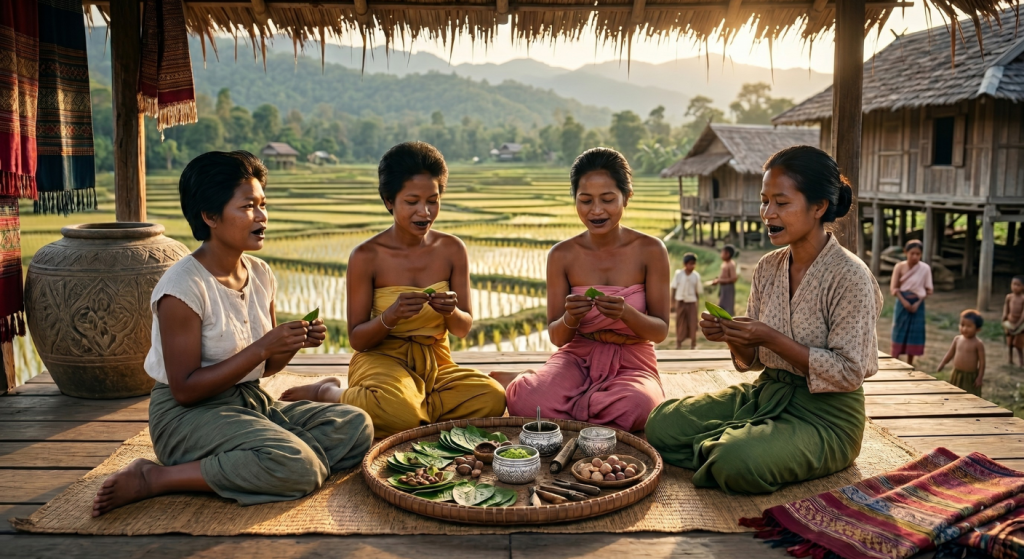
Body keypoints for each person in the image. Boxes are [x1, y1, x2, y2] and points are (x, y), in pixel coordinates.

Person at [92, 152, 373, 517]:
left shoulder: (260, 274)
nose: (262, 216)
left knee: (355, 426)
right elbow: (185, 389)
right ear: (210, 216)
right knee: (299, 467)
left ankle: (264, 459)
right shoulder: (182, 289)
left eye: (263, 204)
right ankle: (156, 477)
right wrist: (262, 347)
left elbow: (267, 367)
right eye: (248, 207)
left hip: (248, 402)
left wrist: (291, 343)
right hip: (187, 418)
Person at [646, 145, 882, 495]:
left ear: (818, 207)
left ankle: (730, 450)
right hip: (766, 392)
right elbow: (753, 361)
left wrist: (769, 337)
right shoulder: (768, 267)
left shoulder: (850, 276)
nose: (767, 213)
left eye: (782, 203)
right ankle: (732, 446)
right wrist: (732, 335)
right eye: (764, 200)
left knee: (736, 459)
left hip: (826, 417)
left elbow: (848, 373)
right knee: (661, 424)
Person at [280, 142, 505, 438]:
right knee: (399, 410)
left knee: (492, 397)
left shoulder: (452, 249)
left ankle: (411, 411)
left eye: (432, 201)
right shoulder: (366, 256)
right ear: (389, 201)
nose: (424, 212)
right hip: (381, 360)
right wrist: (392, 315)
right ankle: (328, 392)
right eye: (411, 201)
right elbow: (358, 340)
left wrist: (451, 311)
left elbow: (463, 328)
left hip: (435, 361)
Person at [504, 148, 669, 432]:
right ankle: (542, 384)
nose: (596, 210)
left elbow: (660, 331)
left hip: (633, 359)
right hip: (576, 356)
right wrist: (570, 318)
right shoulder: (562, 255)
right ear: (575, 201)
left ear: (626, 197)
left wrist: (627, 314)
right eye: (585, 200)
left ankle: (580, 408)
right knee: (527, 400)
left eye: (607, 199)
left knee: (638, 405)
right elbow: (557, 336)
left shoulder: (651, 250)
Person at [890, 239, 933, 365]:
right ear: (906, 252)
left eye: (918, 254)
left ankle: (910, 362)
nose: (915, 256)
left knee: (914, 333)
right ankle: (894, 360)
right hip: (902, 303)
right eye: (912, 253)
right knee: (899, 330)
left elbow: (928, 290)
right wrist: (905, 303)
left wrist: (916, 304)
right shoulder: (899, 267)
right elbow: (894, 289)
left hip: (918, 304)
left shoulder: (925, 268)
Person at [937, 310, 986, 397]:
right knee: (955, 394)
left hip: (970, 376)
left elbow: (982, 363)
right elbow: (950, 353)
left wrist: (979, 378)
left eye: (969, 326)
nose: (964, 329)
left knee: (970, 396)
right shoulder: (957, 339)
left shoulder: (978, 343)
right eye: (962, 325)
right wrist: (943, 363)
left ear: (978, 329)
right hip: (957, 373)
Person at [672, 253, 701, 350]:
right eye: (690, 264)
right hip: (680, 301)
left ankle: (693, 343)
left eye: (694, 264)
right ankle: (679, 343)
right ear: (685, 264)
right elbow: (674, 288)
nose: (692, 266)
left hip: (691, 302)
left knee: (692, 322)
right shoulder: (679, 274)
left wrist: (697, 305)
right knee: (680, 322)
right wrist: (672, 303)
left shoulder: (696, 276)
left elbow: (697, 292)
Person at [1002, 276, 1024, 366]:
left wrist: (1018, 324)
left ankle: (1021, 362)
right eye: (1013, 284)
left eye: (1018, 285)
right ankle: (1010, 360)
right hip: (1010, 322)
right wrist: (1004, 317)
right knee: (1010, 343)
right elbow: (1006, 308)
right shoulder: (1009, 297)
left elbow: (1023, 314)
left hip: (1020, 324)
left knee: (1018, 344)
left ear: (1023, 287)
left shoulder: (1023, 298)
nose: (1015, 287)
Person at [712, 245, 738, 317]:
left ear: (727, 254)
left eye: (722, 253)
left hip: (728, 288)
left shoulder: (731, 264)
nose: (721, 255)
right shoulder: (724, 263)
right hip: (723, 287)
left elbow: (734, 278)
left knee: (727, 307)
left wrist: (719, 280)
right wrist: (718, 279)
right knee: (721, 305)